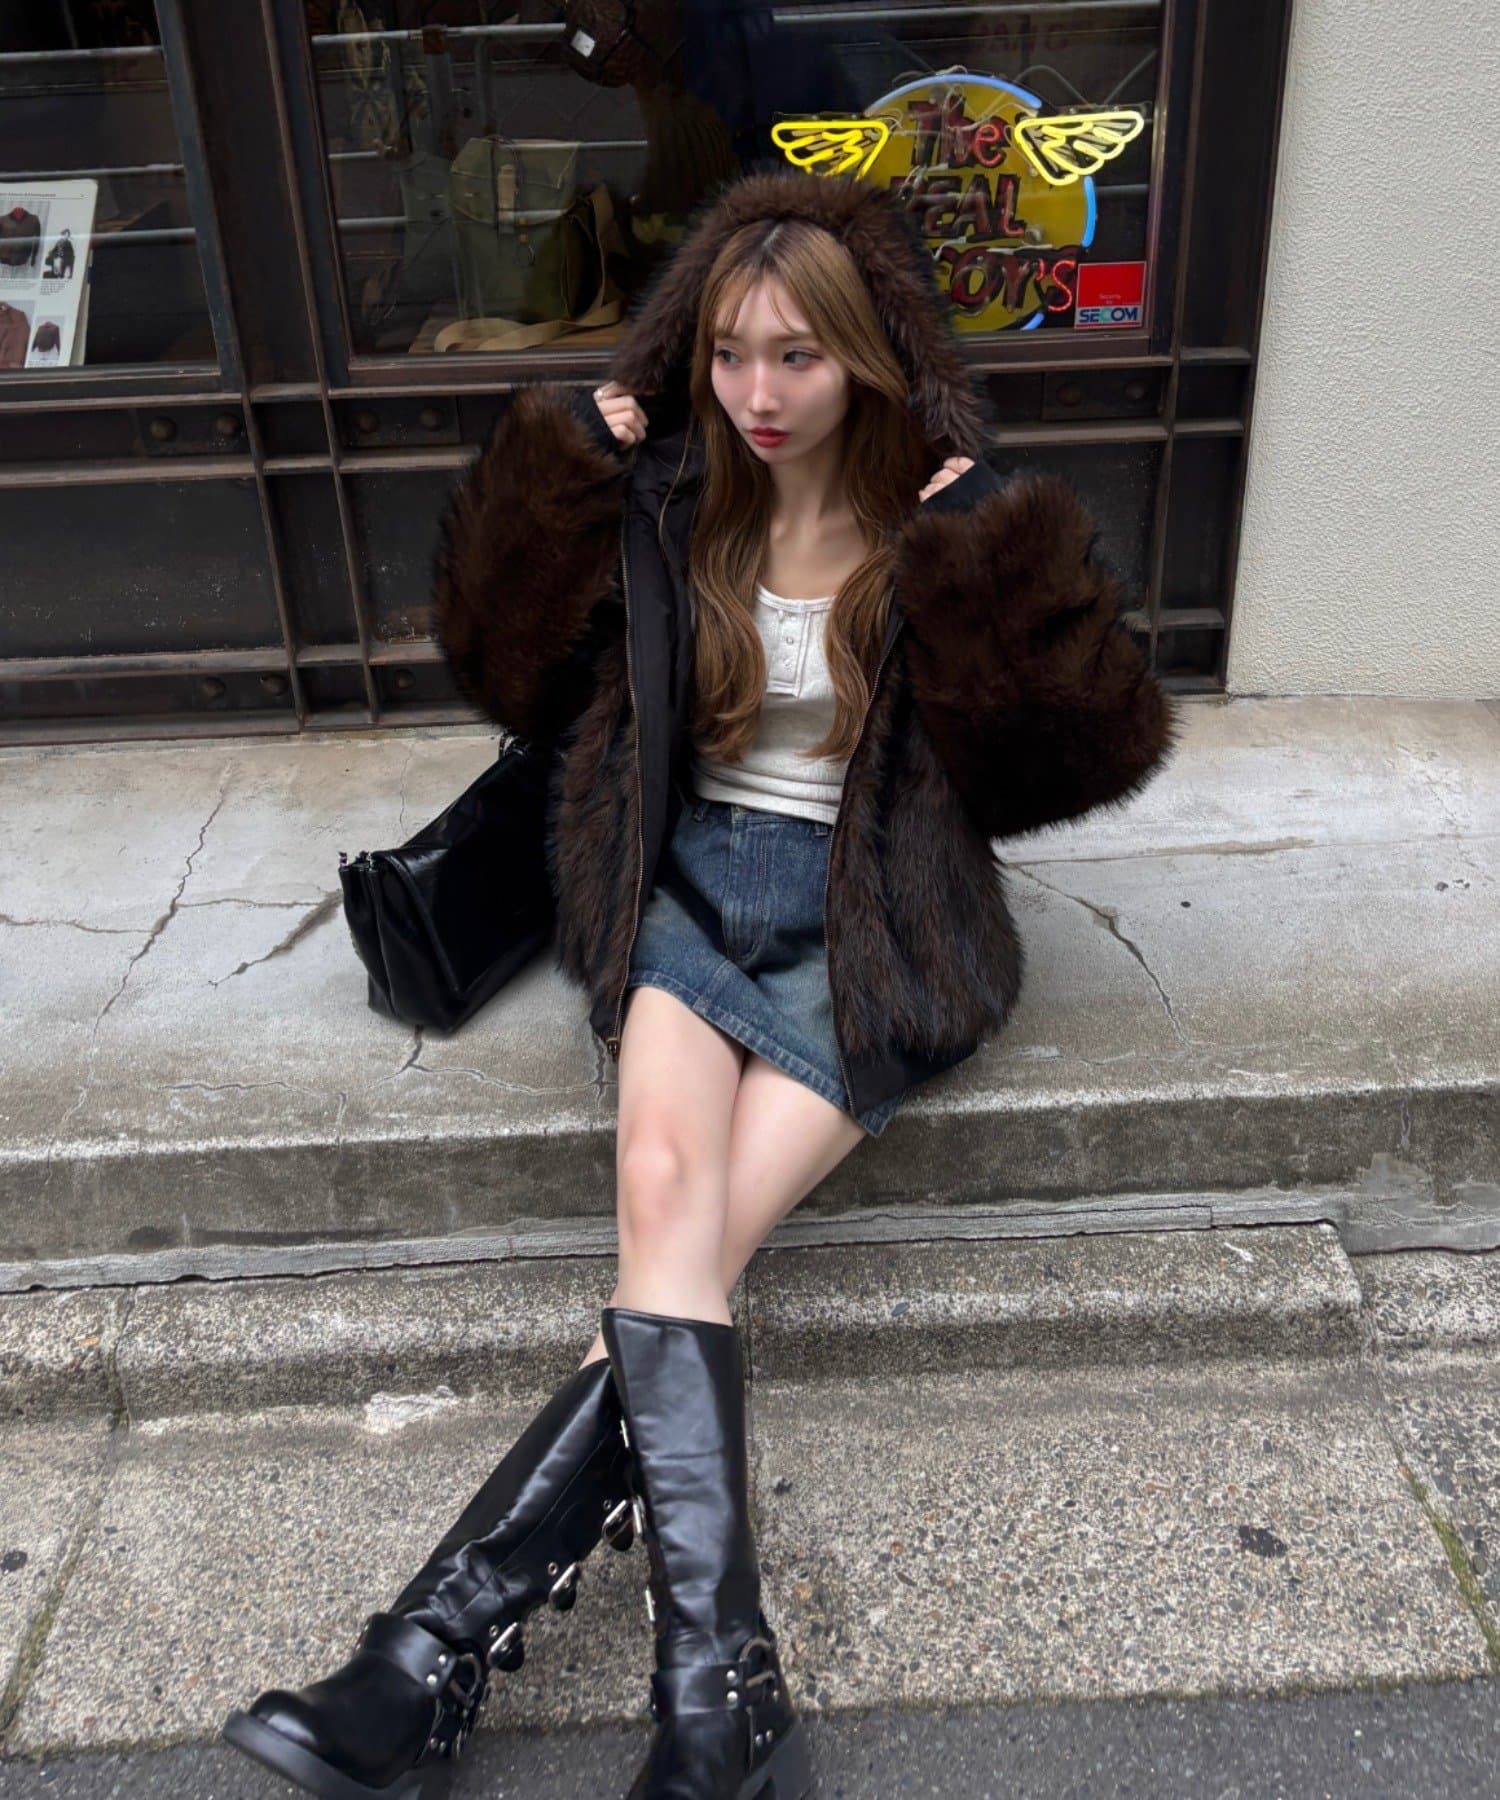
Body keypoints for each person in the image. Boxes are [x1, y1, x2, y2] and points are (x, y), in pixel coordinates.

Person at [222, 165, 1177, 1799]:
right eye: (730, 352)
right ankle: (702, 1706)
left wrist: (992, 564)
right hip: (684, 897)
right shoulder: (672, 502)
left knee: (682, 1267)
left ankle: (429, 1662)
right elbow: (501, 668)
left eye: (796, 355)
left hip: (868, 926)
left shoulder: (943, 515)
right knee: (671, 1210)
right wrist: (553, 482)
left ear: (864, 356)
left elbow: (1075, 761)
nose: (756, 392)